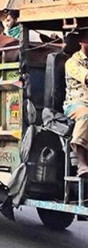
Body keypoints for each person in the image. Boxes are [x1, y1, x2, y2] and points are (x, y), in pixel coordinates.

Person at [63, 28, 88, 178]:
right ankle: (81, 163)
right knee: (86, 115)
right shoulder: (72, 62)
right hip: (76, 103)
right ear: (82, 42)